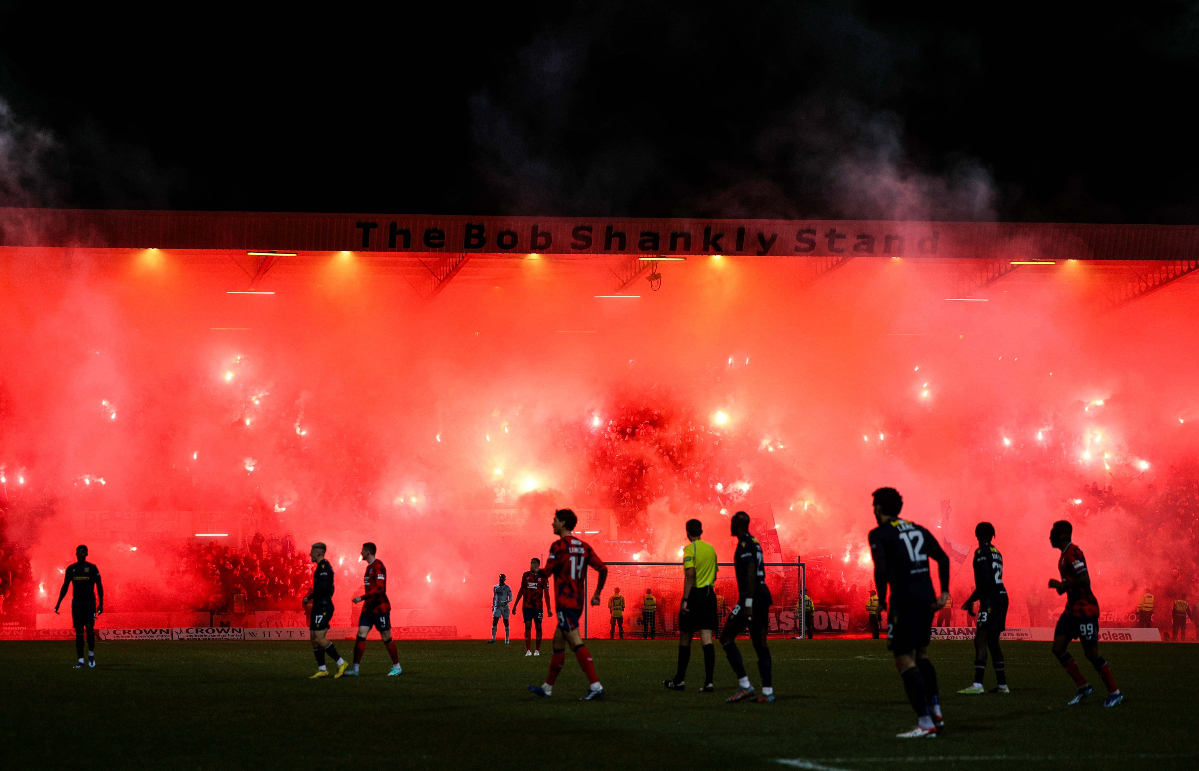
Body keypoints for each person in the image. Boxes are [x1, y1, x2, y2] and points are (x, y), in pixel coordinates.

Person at [868, 487, 951, 739]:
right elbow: (943, 559)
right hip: (926, 597)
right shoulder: (918, 529)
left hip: (904, 599)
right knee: (921, 655)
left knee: (903, 658)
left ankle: (926, 723)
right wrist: (944, 592)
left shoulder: (879, 533)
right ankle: (935, 713)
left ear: (880, 508)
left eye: (874, 506)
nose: (873, 510)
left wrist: (882, 599)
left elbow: (881, 569)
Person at [527, 509, 608, 700]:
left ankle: (596, 686)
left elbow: (547, 573)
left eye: (554, 520)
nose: (552, 523)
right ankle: (547, 688)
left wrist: (536, 571)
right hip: (578, 602)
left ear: (563, 523)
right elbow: (603, 568)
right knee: (557, 641)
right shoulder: (584, 546)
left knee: (575, 642)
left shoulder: (558, 546)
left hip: (565, 602)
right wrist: (596, 594)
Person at [1048, 520, 1121, 706]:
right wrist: (1064, 588)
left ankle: (1114, 692)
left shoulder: (1073, 553)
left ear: (1063, 535)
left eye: (1053, 533)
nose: (1050, 536)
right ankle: (1083, 686)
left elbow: (1085, 580)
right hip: (1071, 609)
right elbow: (1076, 581)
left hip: (1086, 609)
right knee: (1057, 648)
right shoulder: (1064, 556)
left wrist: (1063, 585)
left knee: (1091, 653)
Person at [720, 511, 775, 704]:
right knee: (760, 645)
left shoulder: (744, 543)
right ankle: (767, 692)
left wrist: (748, 603)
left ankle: (745, 685)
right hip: (762, 595)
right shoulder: (754, 541)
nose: (730, 525)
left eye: (732, 522)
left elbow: (751, 571)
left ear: (738, 524)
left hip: (752, 598)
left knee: (726, 637)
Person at [665, 518, 719, 692]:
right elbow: (715, 574)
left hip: (695, 595)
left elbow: (690, 574)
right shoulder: (711, 549)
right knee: (706, 638)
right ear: (701, 531)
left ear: (687, 533)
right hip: (710, 594)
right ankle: (709, 682)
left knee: (685, 636)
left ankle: (680, 681)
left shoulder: (689, 549)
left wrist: (685, 599)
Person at [957, 522, 1009, 694]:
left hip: (991, 599)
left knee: (980, 639)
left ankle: (978, 685)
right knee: (993, 641)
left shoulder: (981, 552)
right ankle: (1002, 685)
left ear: (977, 534)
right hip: (1002, 596)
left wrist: (971, 599)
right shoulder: (997, 553)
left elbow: (985, 581)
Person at [343, 542, 402, 677]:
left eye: (362, 550)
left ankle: (397, 667)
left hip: (380, 608)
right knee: (361, 635)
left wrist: (362, 597)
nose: (360, 553)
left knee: (386, 637)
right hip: (368, 608)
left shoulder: (378, 566)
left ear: (368, 552)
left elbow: (381, 589)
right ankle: (355, 669)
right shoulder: (369, 568)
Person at [301, 542, 347, 678]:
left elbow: (322, 589)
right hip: (318, 605)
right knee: (314, 639)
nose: (310, 554)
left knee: (320, 639)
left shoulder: (324, 567)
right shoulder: (320, 568)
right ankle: (323, 669)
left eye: (312, 551)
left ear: (319, 553)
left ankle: (341, 663)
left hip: (324, 606)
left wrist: (308, 597)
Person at [54, 545, 103, 669]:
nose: (80, 554)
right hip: (77, 604)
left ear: (86, 554)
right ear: (76, 554)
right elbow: (65, 586)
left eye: (83, 552)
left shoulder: (92, 568)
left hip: (89, 603)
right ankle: (80, 660)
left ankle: (91, 655)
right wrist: (58, 602)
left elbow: (99, 586)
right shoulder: (71, 569)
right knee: (79, 632)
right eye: (79, 552)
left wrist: (101, 603)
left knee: (90, 628)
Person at [512, 559, 550, 655]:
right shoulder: (526, 575)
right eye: (531, 563)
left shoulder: (543, 577)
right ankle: (528, 650)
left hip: (538, 606)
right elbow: (521, 590)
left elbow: (546, 594)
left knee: (538, 626)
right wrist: (515, 604)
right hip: (527, 605)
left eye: (533, 563)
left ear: (537, 564)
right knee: (527, 625)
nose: (531, 565)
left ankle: (537, 650)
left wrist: (549, 608)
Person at [490, 574, 512, 644]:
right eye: (500, 578)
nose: (501, 579)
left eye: (502, 578)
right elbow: (494, 597)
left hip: (505, 607)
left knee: (506, 622)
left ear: (504, 579)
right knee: (494, 621)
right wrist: (493, 605)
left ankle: (507, 639)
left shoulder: (507, 587)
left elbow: (511, 597)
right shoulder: (495, 587)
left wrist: (506, 602)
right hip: (497, 607)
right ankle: (493, 639)